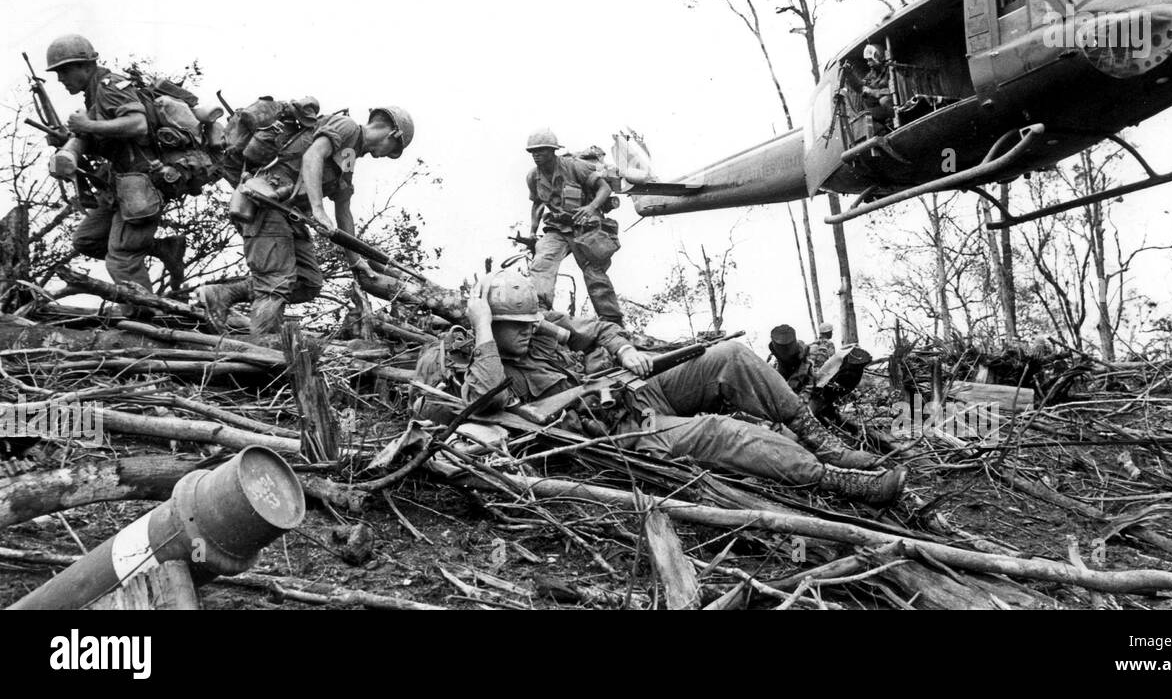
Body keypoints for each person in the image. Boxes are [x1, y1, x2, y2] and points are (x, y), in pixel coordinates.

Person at [461, 271, 907, 505]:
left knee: (728, 356)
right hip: (619, 435)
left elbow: (597, 329)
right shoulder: (484, 357)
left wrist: (623, 350)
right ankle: (837, 480)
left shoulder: (538, 328)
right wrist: (483, 326)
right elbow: (483, 402)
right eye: (512, 326)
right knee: (720, 432)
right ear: (489, 322)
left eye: (528, 322)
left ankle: (821, 443)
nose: (526, 331)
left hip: (627, 393)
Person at [199, 106, 413, 336]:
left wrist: (355, 260)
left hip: (288, 214)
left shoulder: (350, 154)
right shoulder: (347, 126)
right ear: (393, 134)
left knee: (308, 282)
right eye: (393, 149)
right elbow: (313, 155)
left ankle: (223, 294)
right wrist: (318, 210)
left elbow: (343, 208)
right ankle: (263, 345)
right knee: (276, 282)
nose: (384, 155)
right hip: (267, 204)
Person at [44, 35, 187, 292]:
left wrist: (88, 125)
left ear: (85, 66)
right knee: (87, 240)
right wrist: (68, 141)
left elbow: (138, 124)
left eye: (64, 71)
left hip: (143, 181)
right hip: (120, 183)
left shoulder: (109, 86)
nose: (60, 79)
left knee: (122, 259)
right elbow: (107, 139)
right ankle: (164, 249)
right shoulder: (93, 95)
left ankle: (146, 315)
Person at [523, 127, 624, 325]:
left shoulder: (575, 167)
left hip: (585, 227)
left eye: (541, 151)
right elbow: (537, 204)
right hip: (557, 228)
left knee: (594, 273)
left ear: (553, 151)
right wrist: (532, 233)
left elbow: (605, 188)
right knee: (542, 262)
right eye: (533, 151)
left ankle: (612, 322)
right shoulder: (533, 176)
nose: (536, 155)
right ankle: (540, 312)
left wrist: (590, 207)